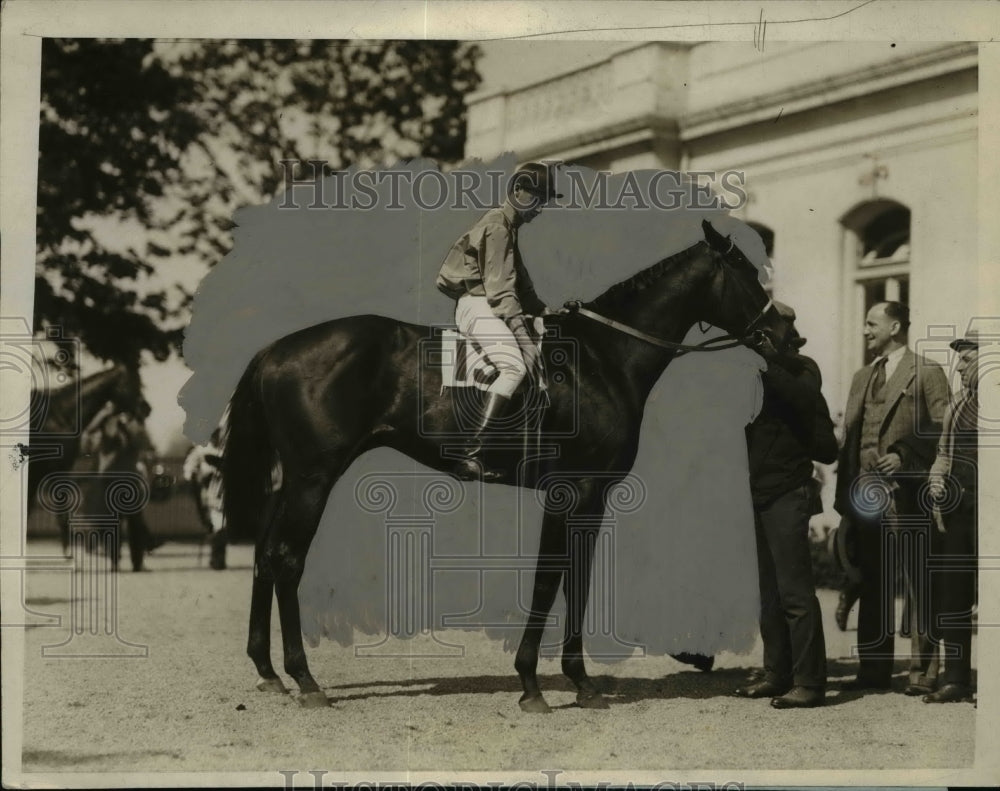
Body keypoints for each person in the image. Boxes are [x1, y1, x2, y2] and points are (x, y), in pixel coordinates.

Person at [834, 301, 949, 694]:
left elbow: (942, 429)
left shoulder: (926, 371)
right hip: (865, 496)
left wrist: (904, 455)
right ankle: (873, 670)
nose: (865, 330)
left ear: (895, 327)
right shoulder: (861, 377)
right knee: (872, 581)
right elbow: (851, 437)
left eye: (872, 323)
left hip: (909, 495)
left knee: (918, 581)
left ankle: (922, 672)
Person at [734, 302, 838, 708]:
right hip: (756, 491)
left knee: (795, 593)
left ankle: (810, 682)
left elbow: (800, 396)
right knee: (768, 593)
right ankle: (777, 674)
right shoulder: (753, 371)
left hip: (786, 492)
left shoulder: (803, 367)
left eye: (768, 329)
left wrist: (765, 358)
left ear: (786, 331)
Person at [436, 161, 560, 482]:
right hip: (480, 306)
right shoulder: (498, 226)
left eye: (545, 201)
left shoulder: (509, 226)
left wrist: (549, 314)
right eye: (538, 198)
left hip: (489, 304)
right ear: (517, 191)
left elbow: (524, 289)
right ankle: (470, 452)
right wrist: (523, 339)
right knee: (515, 367)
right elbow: (502, 292)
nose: (541, 208)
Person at [924, 322, 988, 703]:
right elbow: (943, 454)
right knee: (954, 594)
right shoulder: (958, 403)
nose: (960, 368)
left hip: (991, 511)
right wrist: (936, 486)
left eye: (966, 359)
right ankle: (955, 679)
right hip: (959, 511)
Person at [78, 400, 156, 572]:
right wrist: (107, 413)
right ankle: (117, 562)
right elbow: (92, 431)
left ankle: (135, 562)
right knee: (115, 524)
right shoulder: (111, 426)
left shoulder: (132, 428)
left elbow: (143, 444)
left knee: (134, 523)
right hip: (113, 481)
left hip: (127, 480)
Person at [183, 428, 227, 570]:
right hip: (207, 490)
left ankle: (218, 558)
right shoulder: (201, 450)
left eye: (217, 434)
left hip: (223, 490)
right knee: (215, 523)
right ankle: (217, 558)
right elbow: (189, 469)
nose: (215, 437)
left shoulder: (225, 449)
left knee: (221, 524)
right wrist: (194, 477)